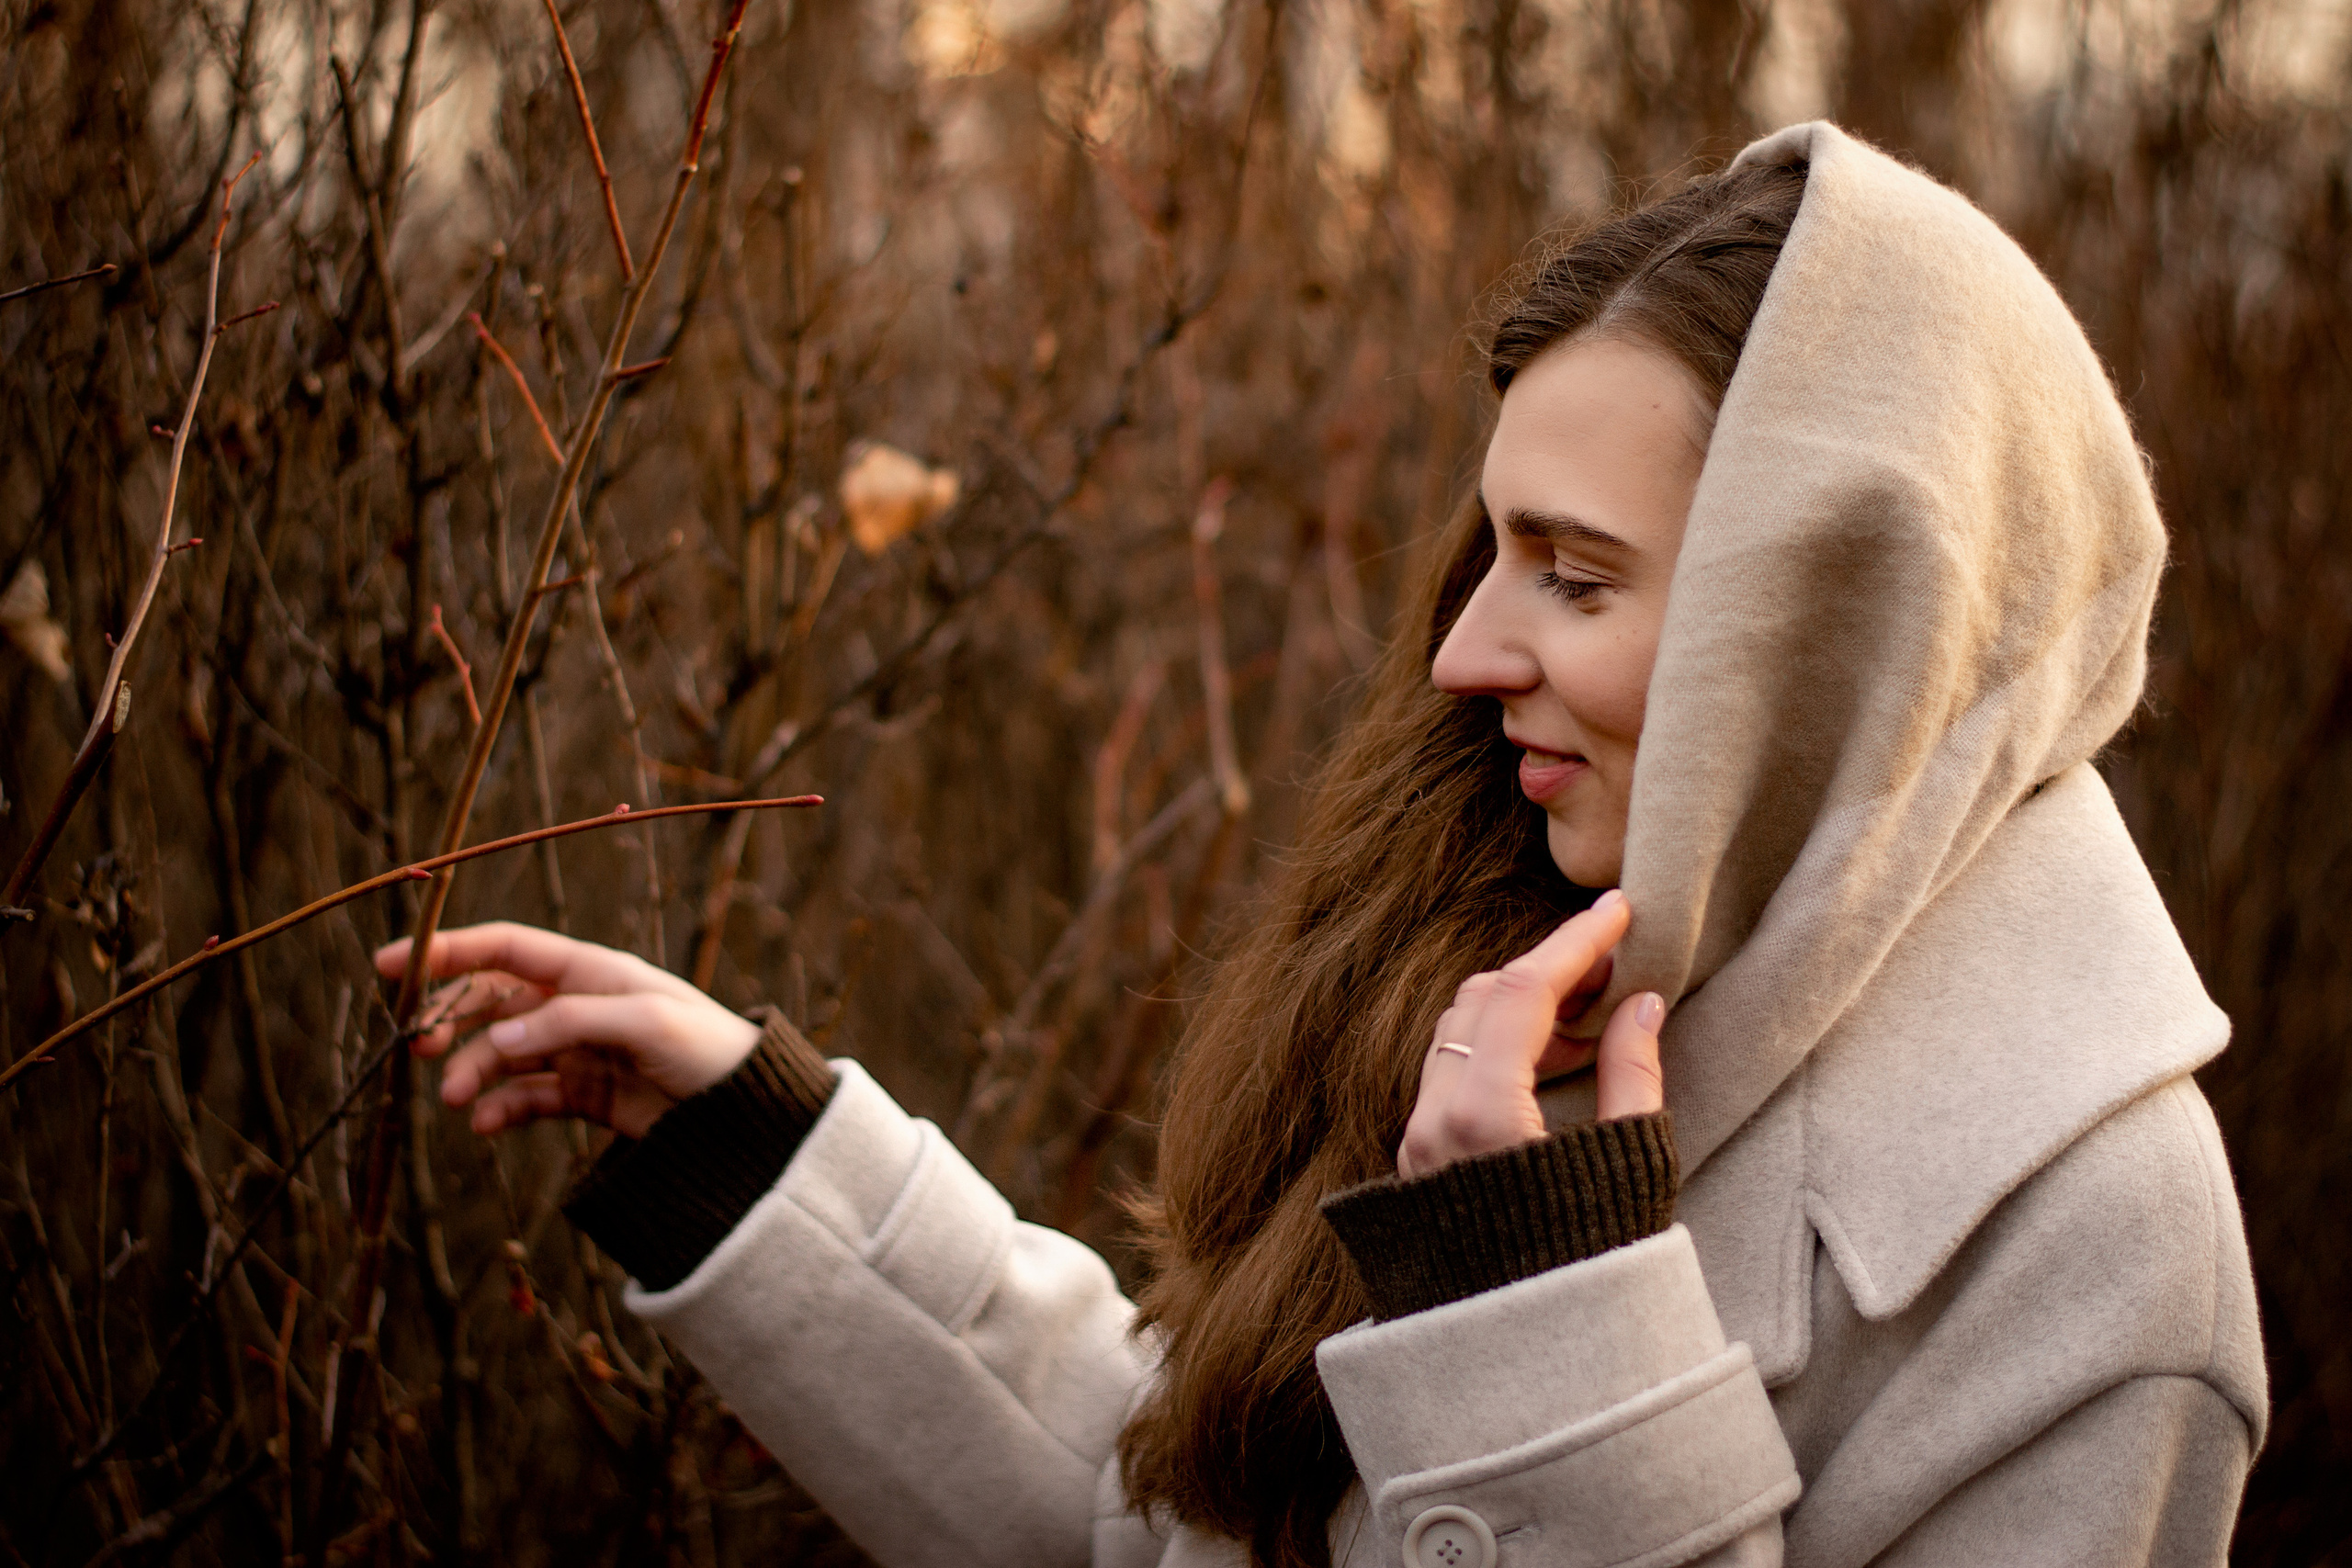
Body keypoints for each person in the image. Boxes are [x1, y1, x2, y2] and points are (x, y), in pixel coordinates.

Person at [377, 122, 2265, 1568]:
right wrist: (758, 1148)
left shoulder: (2093, 1253)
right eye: (1494, 547)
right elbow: (1183, 1522)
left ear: (1850, 624)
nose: (1463, 650)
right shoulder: (1531, 966)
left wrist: (1533, 1307)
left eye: (1574, 572)